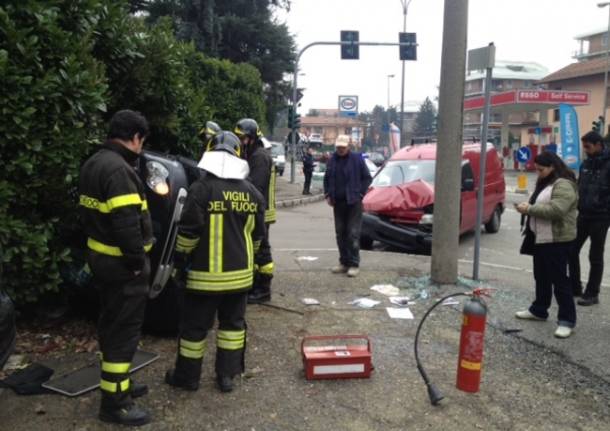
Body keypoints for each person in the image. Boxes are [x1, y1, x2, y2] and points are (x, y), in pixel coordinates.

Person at [165, 131, 266, 393]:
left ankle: (187, 378)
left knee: (194, 331)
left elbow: (188, 234)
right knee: (232, 329)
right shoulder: (253, 194)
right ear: (237, 155)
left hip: (203, 279)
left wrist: (180, 263)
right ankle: (227, 377)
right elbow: (257, 239)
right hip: (240, 279)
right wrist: (255, 267)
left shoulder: (201, 189)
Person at [78, 110, 153, 426]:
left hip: (102, 261)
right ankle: (115, 404)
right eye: (141, 141)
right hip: (124, 267)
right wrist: (137, 263)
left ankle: (121, 385)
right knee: (123, 331)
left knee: (111, 324)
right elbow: (126, 226)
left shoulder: (94, 163)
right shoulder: (119, 170)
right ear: (135, 137)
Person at [514, 151, 578, 339]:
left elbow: (557, 210)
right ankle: (539, 310)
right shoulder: (547, 183)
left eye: (540, 169)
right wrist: (529, 206)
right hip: (541, 238)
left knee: (560, 281)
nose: (538, 173)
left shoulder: (564, 184)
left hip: (557, 240)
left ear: (552, 167)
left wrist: (530, 209)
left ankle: (567, 320)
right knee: (541, 276)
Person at [234, 118, 276, 304]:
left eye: (242, 138)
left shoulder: (259, 157)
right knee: (255, 249)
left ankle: (263, 290)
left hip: (261, 211)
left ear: (251, 137)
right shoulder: (252, 154)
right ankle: (255, 285)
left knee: (261, 251)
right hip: (257, 210)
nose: (240, 141)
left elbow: (255, 188)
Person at [569, 131, 610, 306]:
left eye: (588, 146)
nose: (585, 150)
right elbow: (580, 185)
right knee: (571, 249)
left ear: (599, 144)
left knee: (595, 255)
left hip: (601, 216)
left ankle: (592, 293)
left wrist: (604, 206)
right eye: (584, 146)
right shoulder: (585, 164)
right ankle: (575, 286)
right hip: (584, 214)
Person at [323, 135, 372, 278]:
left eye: (343, 147)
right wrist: (328, 194)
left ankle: (354, 264)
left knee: (353, 233)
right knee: (340, 233)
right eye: (338, 147)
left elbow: (367, 178)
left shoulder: (357, 159)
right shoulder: (332, 160)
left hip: (354, 203)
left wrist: (361, 194)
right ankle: (343, 262)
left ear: (348, 146)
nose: (340, 149)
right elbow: (327, 179)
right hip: (338, 203)